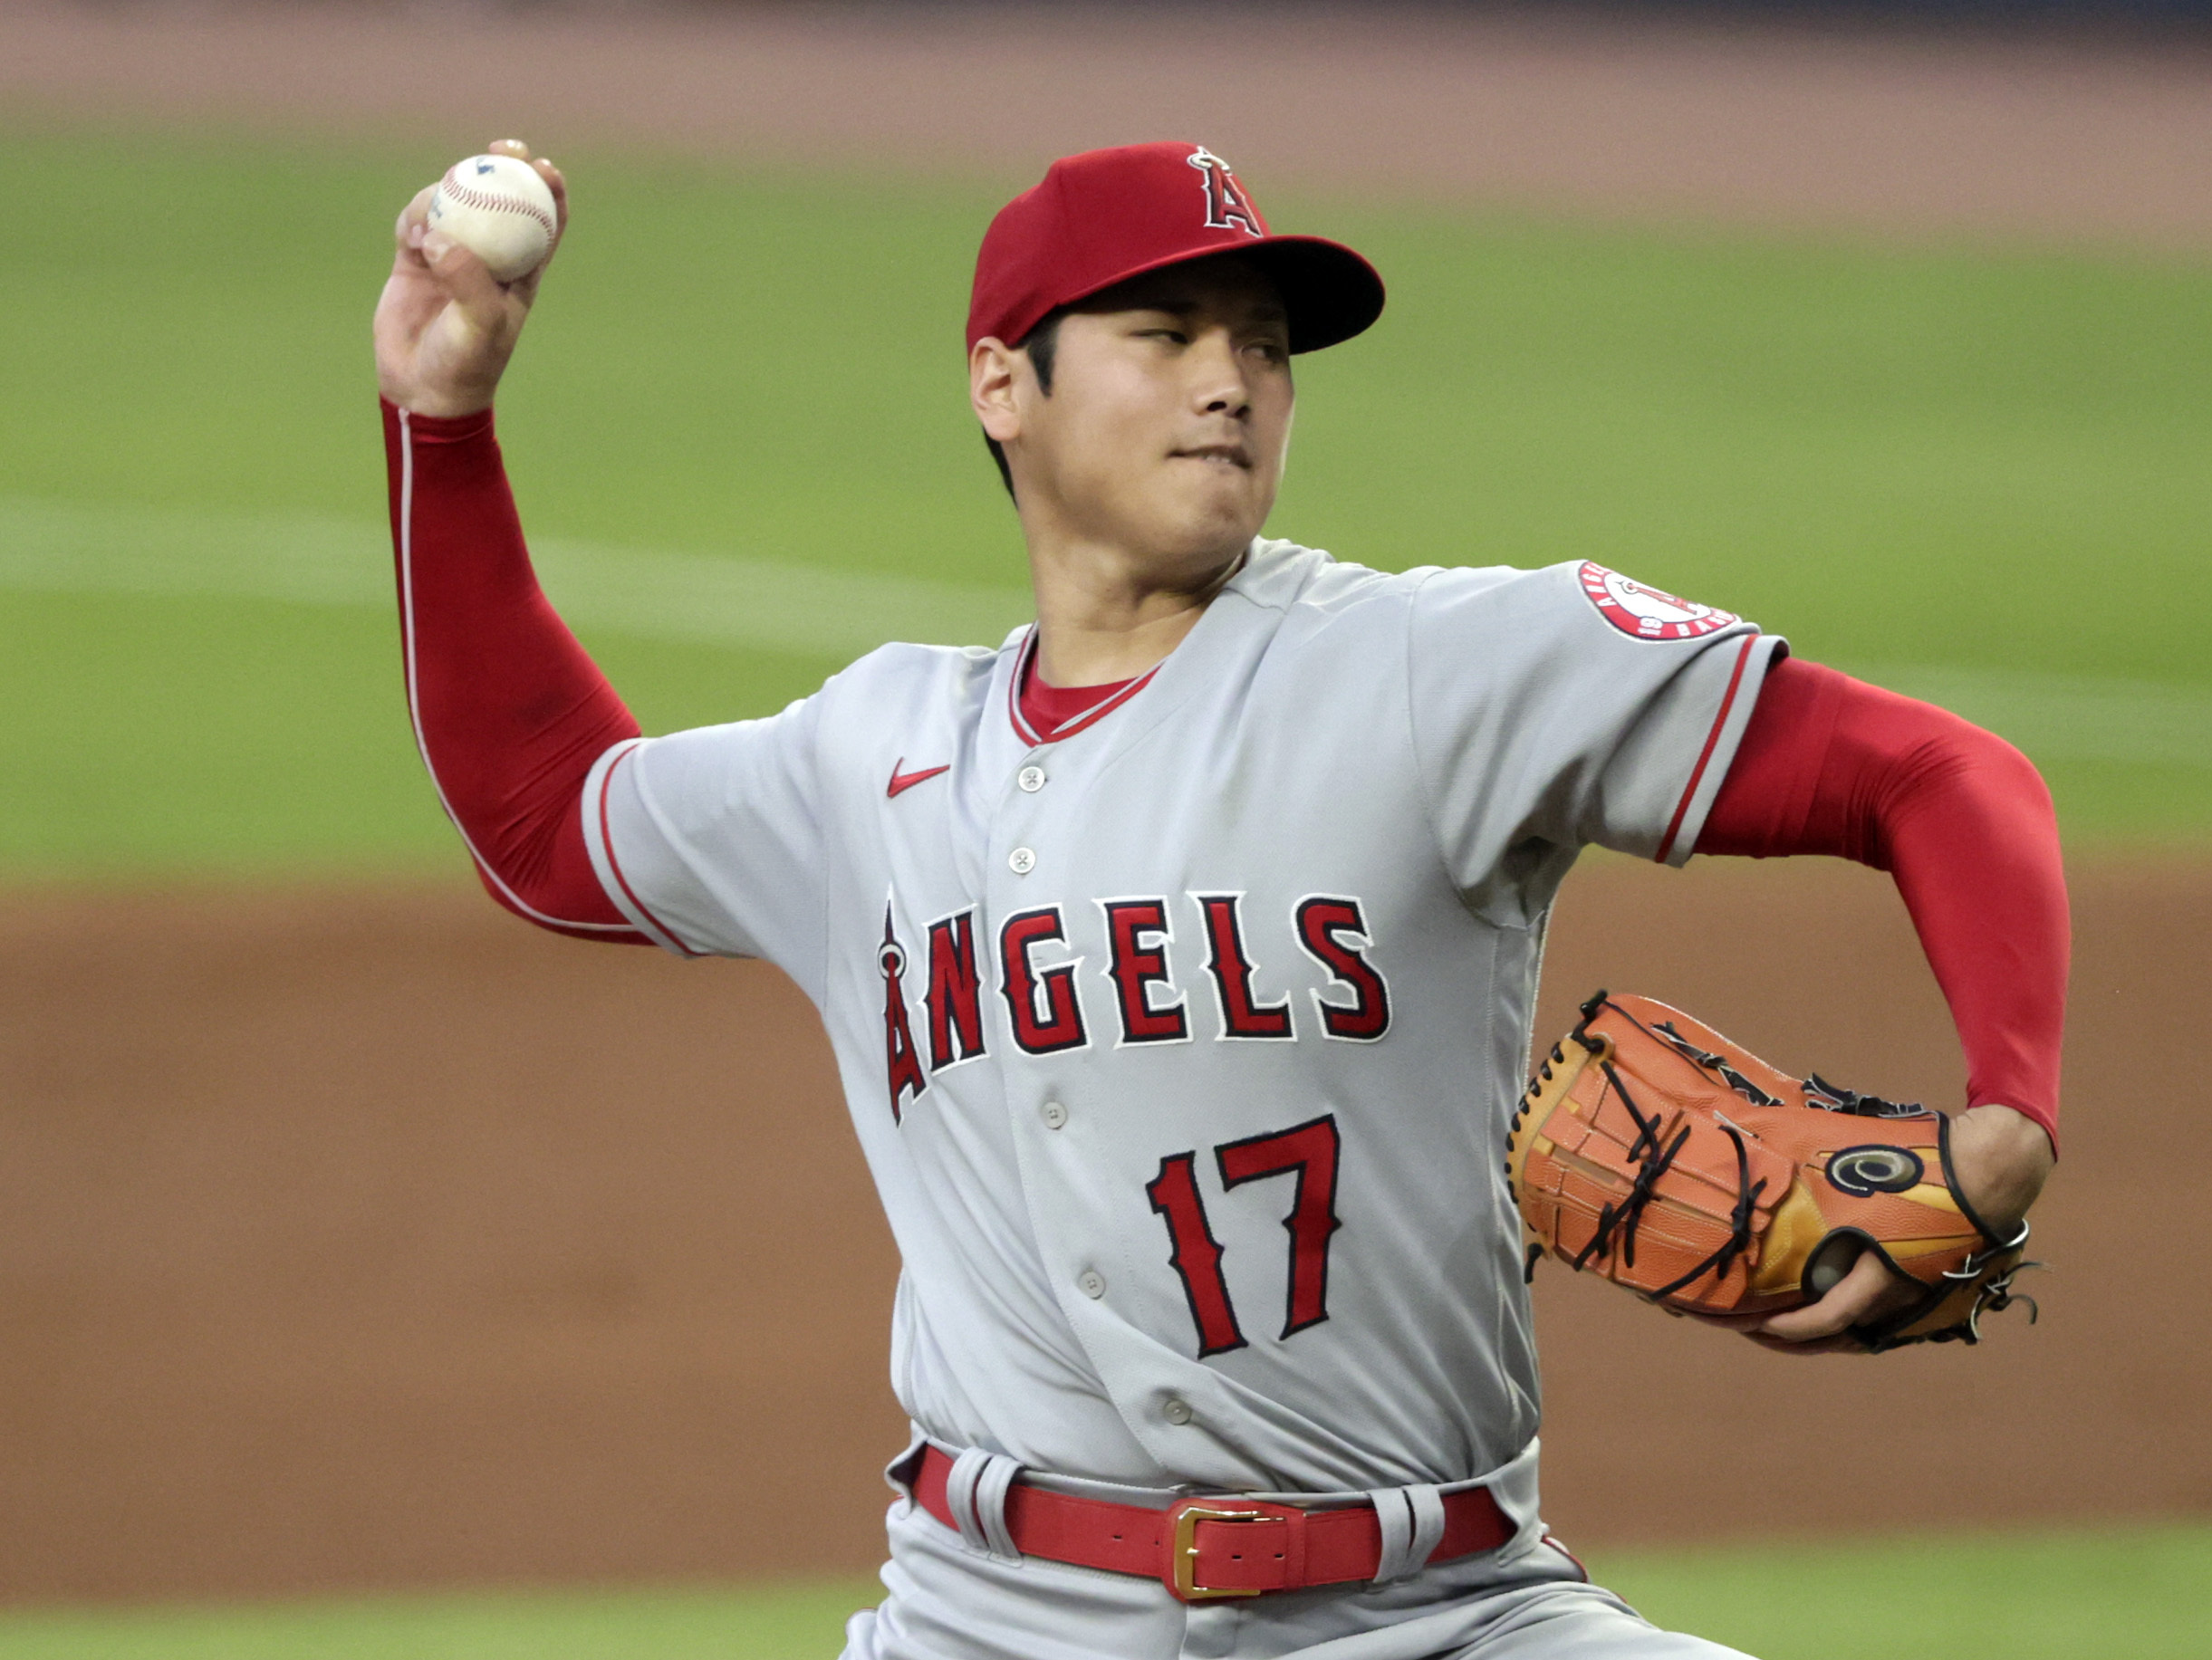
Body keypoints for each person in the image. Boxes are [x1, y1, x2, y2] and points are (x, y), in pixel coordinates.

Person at [374, 138, 2063, 1658]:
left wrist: (2011, 1114)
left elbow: (1932, 774)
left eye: (1260, 343)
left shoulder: (1429, 669)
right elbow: (546, 814)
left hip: (1440, 1614)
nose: (1230, 382)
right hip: (991, 1619)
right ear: (999, 384)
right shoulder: (866, 757)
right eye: (1163, 333)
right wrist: (440, 422)